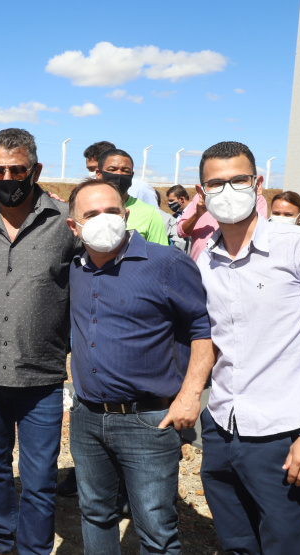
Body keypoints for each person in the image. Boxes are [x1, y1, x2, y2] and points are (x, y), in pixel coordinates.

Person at [194, 141, 300, 554]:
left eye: (238, 180)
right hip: (222, 426)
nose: (227, 191)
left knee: (283, 544)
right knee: (236, 542)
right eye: (215, 183)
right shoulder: (205, 261)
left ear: (258, 183)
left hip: (283, 436)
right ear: (201, 192)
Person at [65, 179, 212, 555]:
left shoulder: (167, 265)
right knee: (96, 513)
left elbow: (202, 330)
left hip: (148, 420)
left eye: (112, 211)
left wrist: (189, 396)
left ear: (126, 214)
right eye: (92, 214)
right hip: (87, 417)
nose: (104, 220)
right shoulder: (75, 269)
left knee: (156, 527)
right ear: (73, 226)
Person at [0, 128, 80, 555]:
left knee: (40, 474)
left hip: (41, 375)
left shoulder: (65, 224)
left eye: (17, 169)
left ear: (35, 170)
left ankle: (34, 548)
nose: (7, 177)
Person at [177, 158, 267, 261]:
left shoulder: (255, 199)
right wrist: (197, 215)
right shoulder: (201, 198)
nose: (227, 187)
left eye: (237, 180)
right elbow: (181, 232)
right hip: (198, 268)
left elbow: (258, 234)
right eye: (216, 183)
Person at [94, 149, 168, 245]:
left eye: (125, 171)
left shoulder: (149, 214)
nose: (119, 174)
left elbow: (161, 254)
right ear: (98, 174)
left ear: (132, 175)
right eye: (112, 169)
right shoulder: (85, 208)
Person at [83, 140, 158, 207]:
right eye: (90, 169)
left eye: (94, 168)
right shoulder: (86, 191)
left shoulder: (140, 188)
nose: (94, 173)